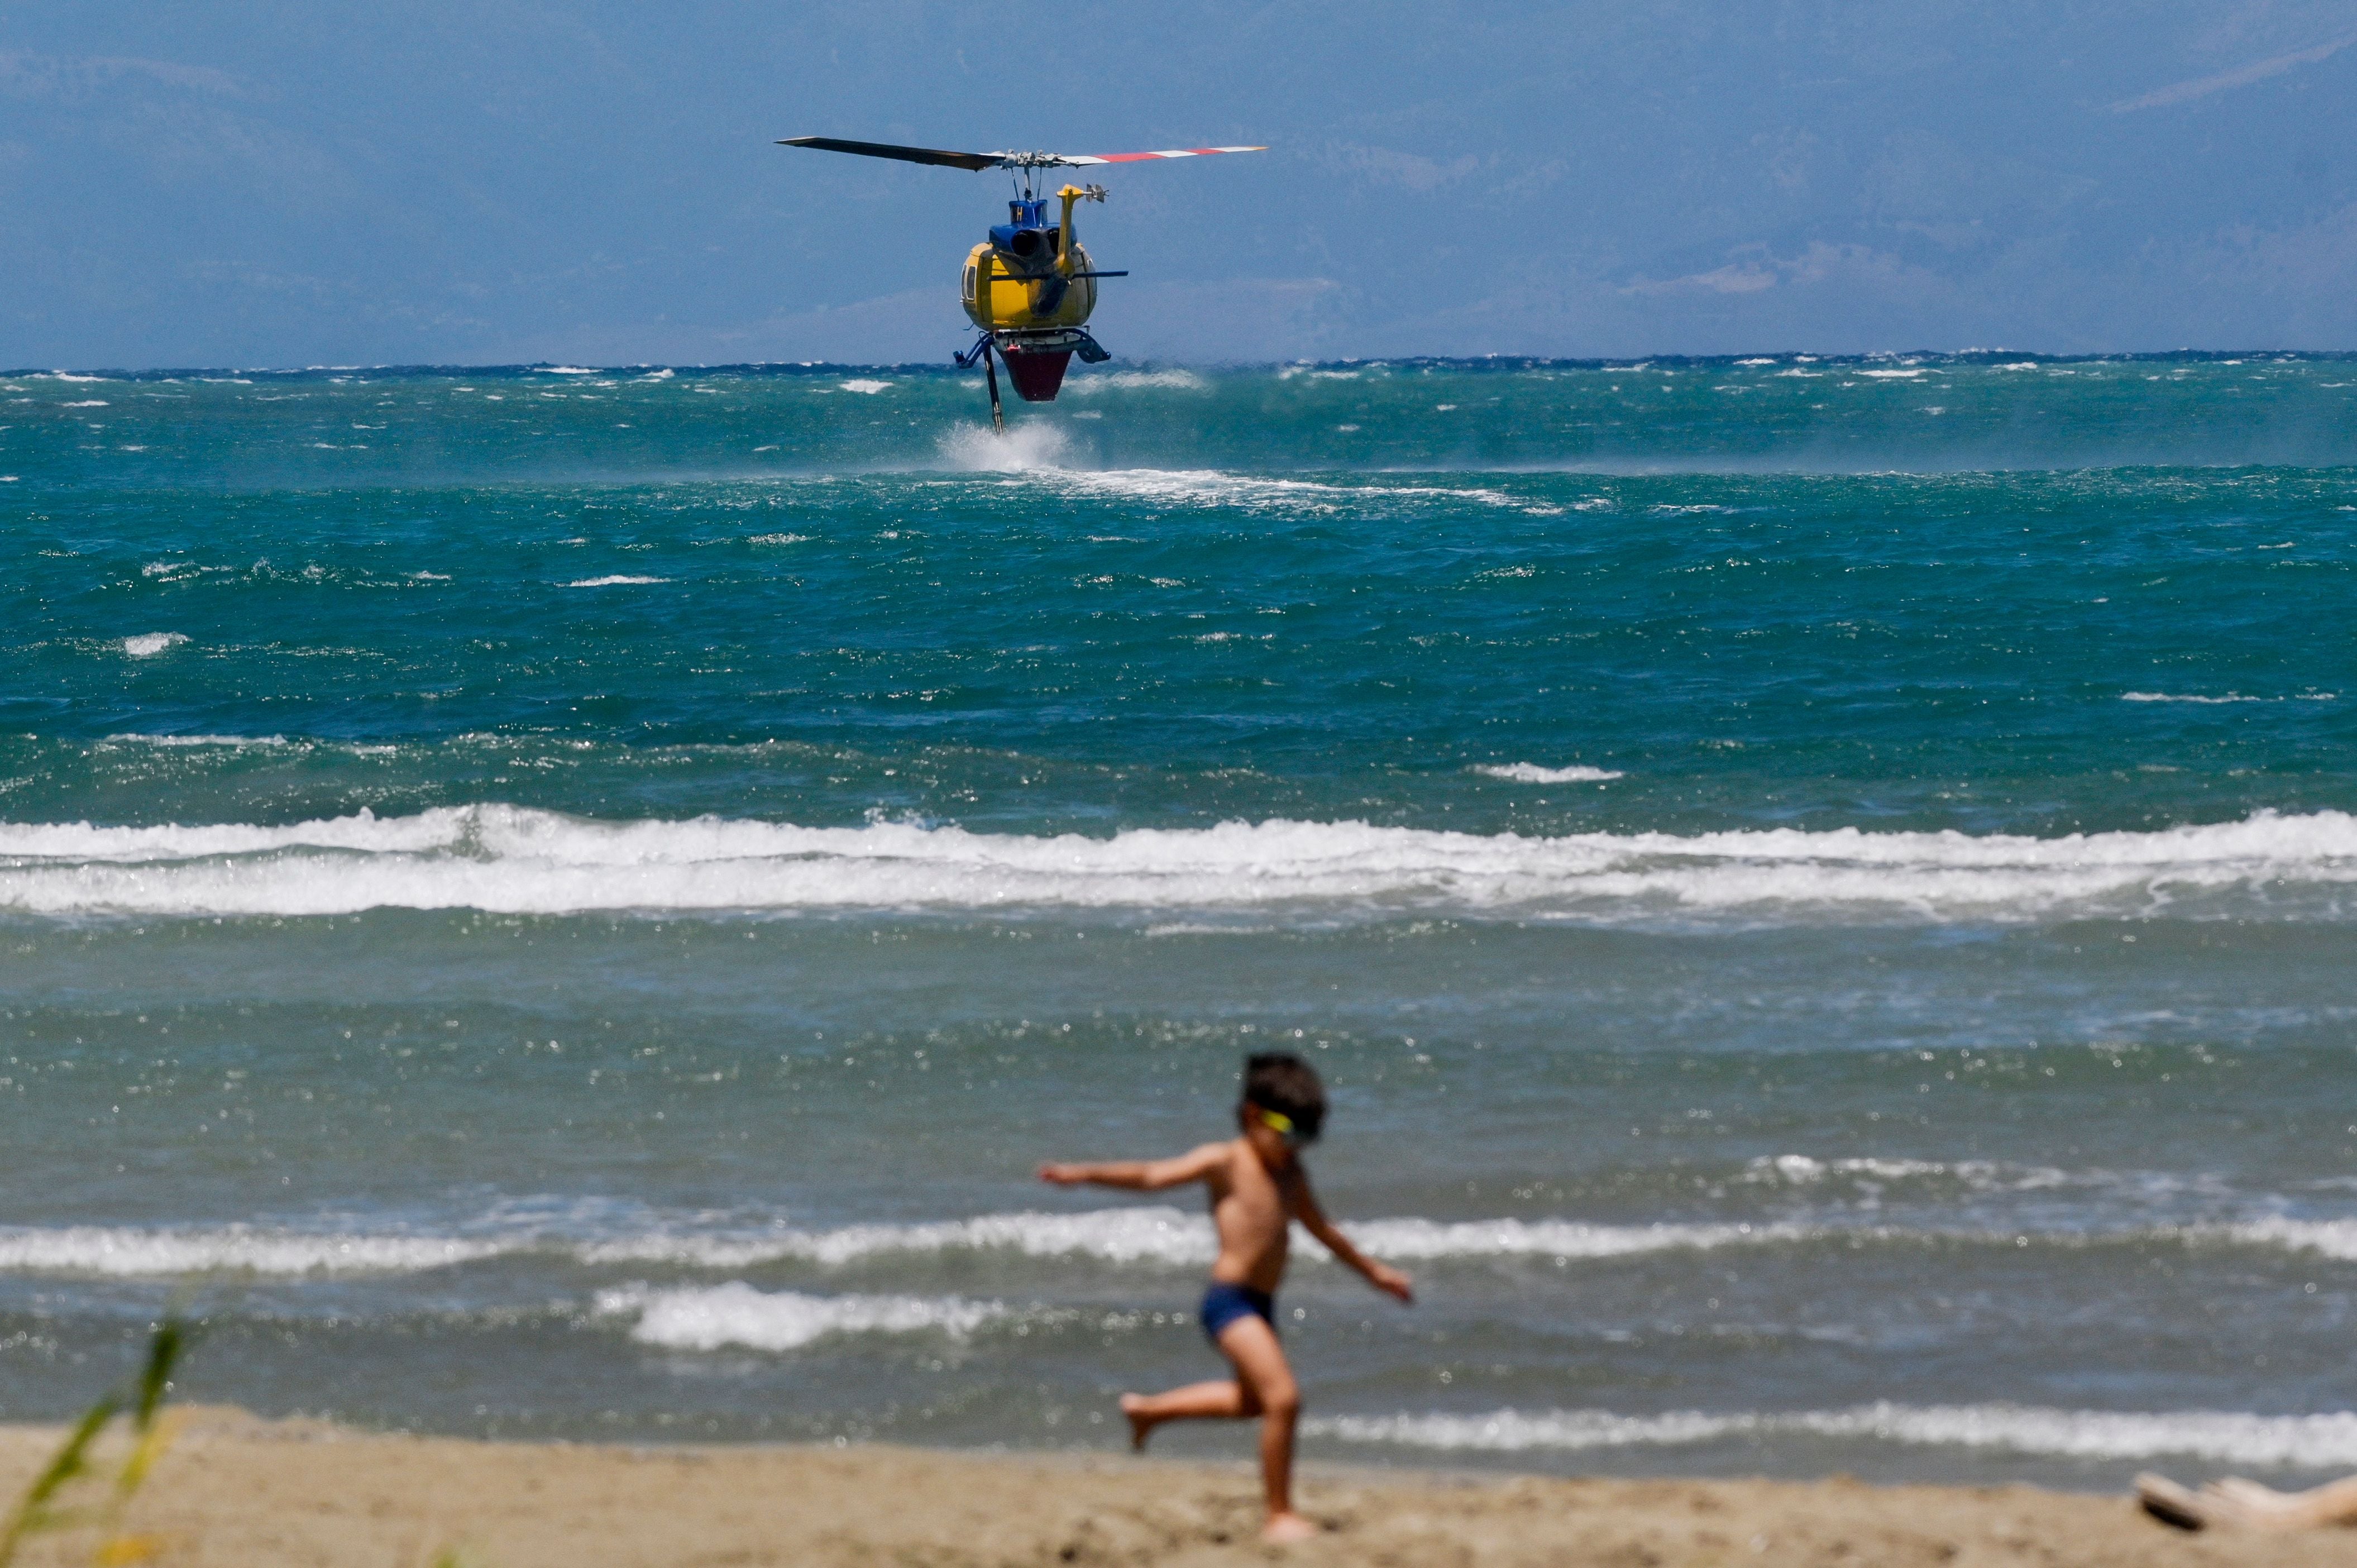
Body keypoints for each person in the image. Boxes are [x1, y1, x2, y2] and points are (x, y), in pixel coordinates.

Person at [1038, 1051, 1414, 1543]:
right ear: (1254, 1116)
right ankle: (1278, 1515)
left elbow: (1324, 1231)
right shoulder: (1227, 1161)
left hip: (1261, 1305)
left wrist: (1375, 1273)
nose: (1295, 1147)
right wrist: (1083, 1174)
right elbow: (1153, 1176)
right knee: (1285, 1400)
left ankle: (1150, 1412)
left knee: (1252, 1404)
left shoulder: (1292, 1175)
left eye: (1307, 1138)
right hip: (1229, 1302)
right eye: (1289, 1134)